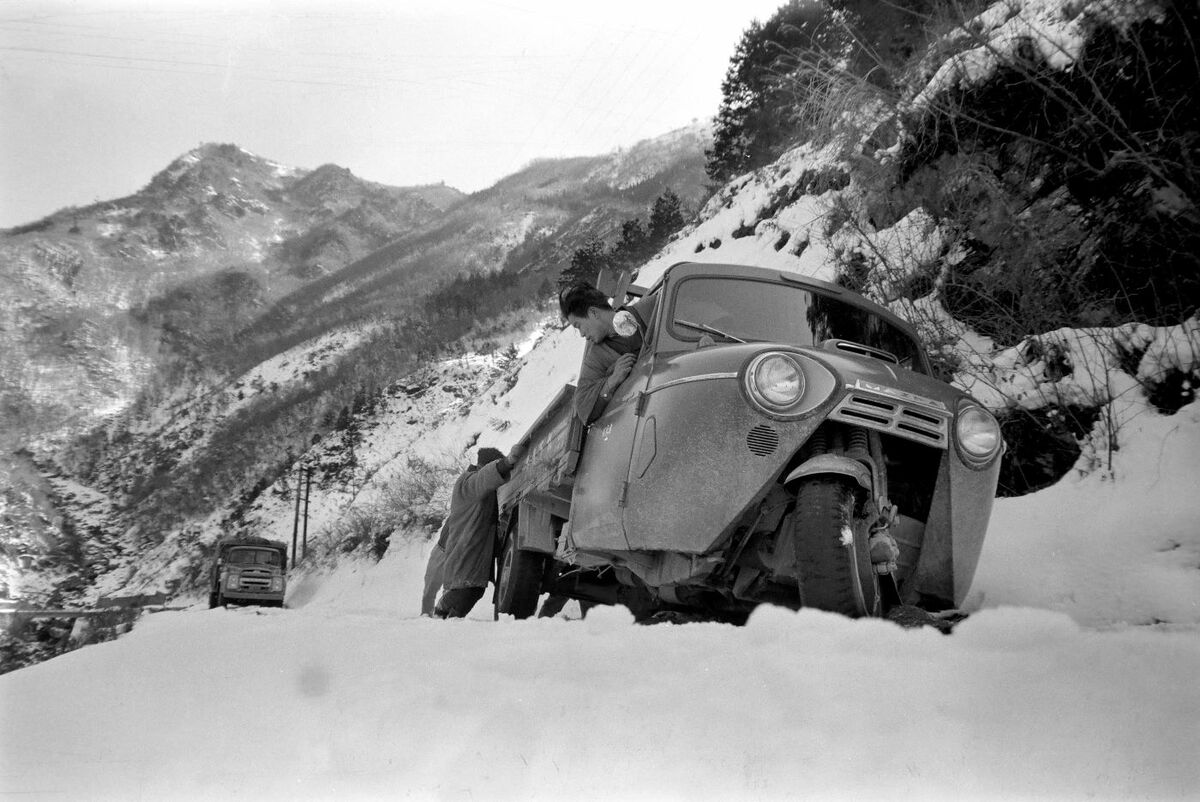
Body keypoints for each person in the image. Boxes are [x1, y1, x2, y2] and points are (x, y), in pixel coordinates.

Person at [433, 442, 525, 619]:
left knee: (471, 590)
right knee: (465, 590)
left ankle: (444, 617)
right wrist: (508, 462)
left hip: (470, 552)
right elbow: (484, 478)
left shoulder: (480, 490)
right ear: (484, 465)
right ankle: (442, 615)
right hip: (465, 552)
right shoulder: (468, 482)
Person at [558, 282, 656, 424]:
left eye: (578, 326)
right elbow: (582, 407)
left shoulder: (648, 308)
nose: (581, 334)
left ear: (593, 313)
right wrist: (612, 381)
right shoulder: (596, 357)